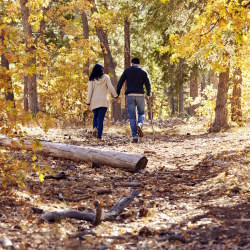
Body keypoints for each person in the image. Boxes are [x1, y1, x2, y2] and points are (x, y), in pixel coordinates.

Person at [116, 57, 151, 143]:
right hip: (140, 95)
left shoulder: (127, 70)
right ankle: (139, 124)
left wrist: (117, 94)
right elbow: (148, 84)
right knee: (141, 113)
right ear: (139, 64)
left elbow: (120, 82)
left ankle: (135, 137)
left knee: (132, 117)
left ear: (132, 63)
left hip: (130, 95)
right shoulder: (143, 71)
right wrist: (148, 94)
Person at [86, 64, 120, 141]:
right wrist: (116, 96)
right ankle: (99, 137)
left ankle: (95, 127)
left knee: (95, 116)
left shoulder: (91, 79)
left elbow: (89, 92)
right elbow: (111, 87)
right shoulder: (106, 77)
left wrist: (87, 103)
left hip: (94, 101)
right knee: (100, 119)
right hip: (103, 101)